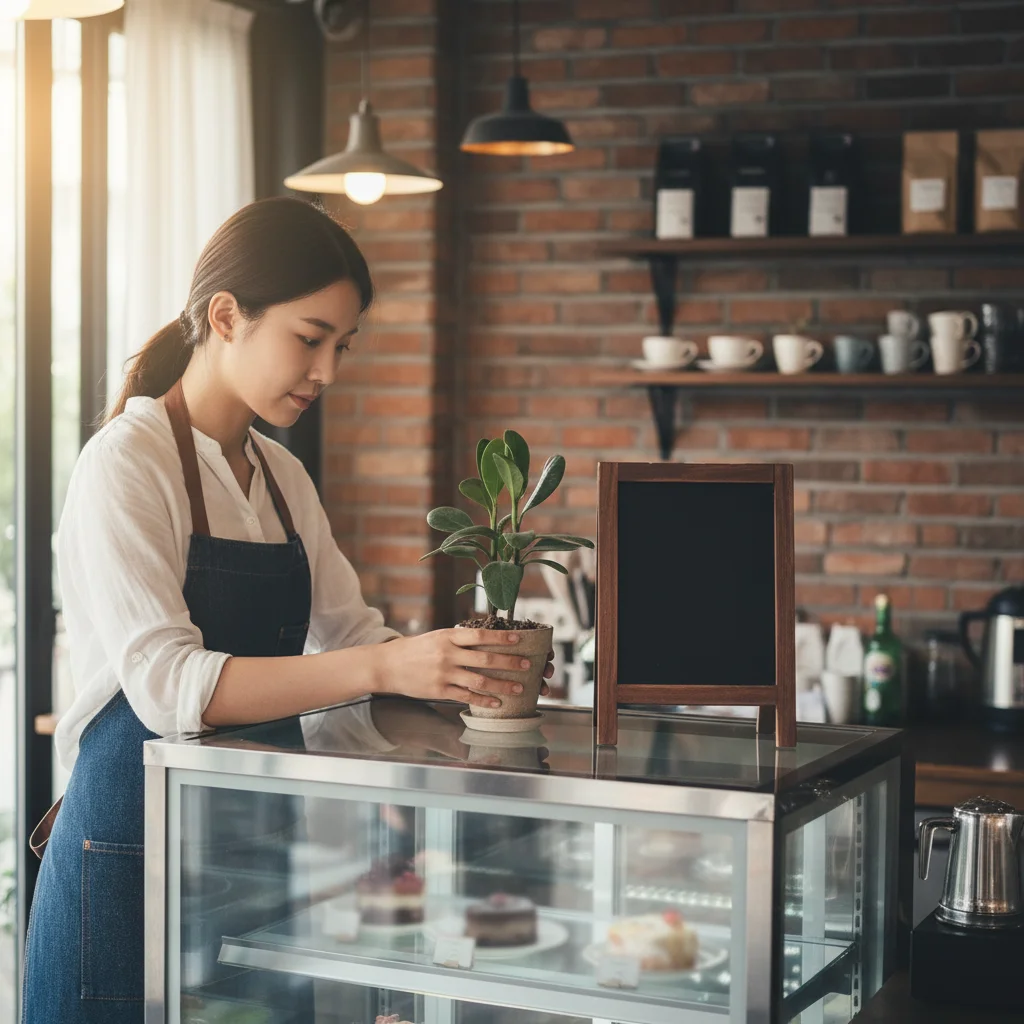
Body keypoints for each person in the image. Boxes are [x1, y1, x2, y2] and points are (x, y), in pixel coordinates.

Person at [21, 197, 553, 1023]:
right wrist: (384, 664)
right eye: (310, 339)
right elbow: (169, 691)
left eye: (343, 345)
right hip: (130, 855)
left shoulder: (281, 476)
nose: (329, 371)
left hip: (255, 845)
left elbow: (354, 639)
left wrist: (460, 678)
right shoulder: (125, 463)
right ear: (225, 316)